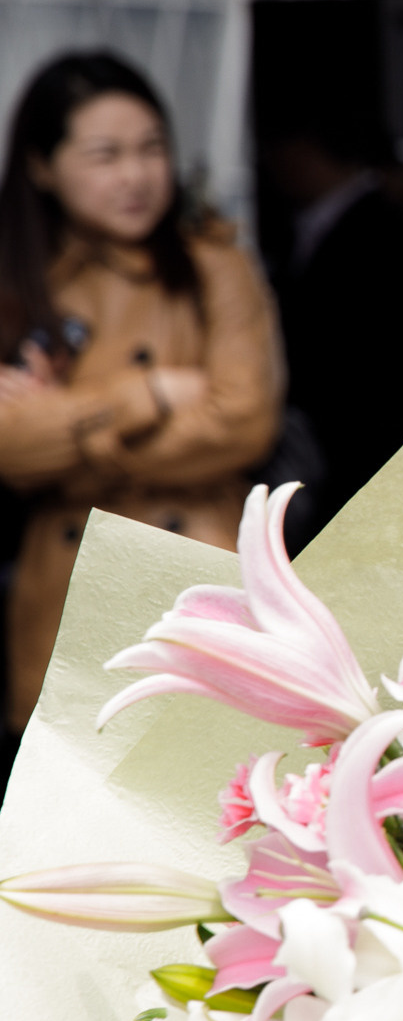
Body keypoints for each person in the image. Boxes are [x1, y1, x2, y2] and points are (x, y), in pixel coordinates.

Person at [0, 51, 282, 734]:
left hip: (195, 571)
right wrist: (147, 392)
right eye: (105, 154)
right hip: (66, 589)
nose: (136, 175)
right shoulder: (16, 285)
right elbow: (9, 451)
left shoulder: (215, 266)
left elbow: (244, 421)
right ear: (42, 165)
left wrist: (65, 432)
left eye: (151, 148)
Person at [256, 120, 403, 536]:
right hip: (331, 446)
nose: (271, 162)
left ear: (308, 151)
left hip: (362, 445)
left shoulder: (386, 230)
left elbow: (385, 357)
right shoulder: (302, 226)